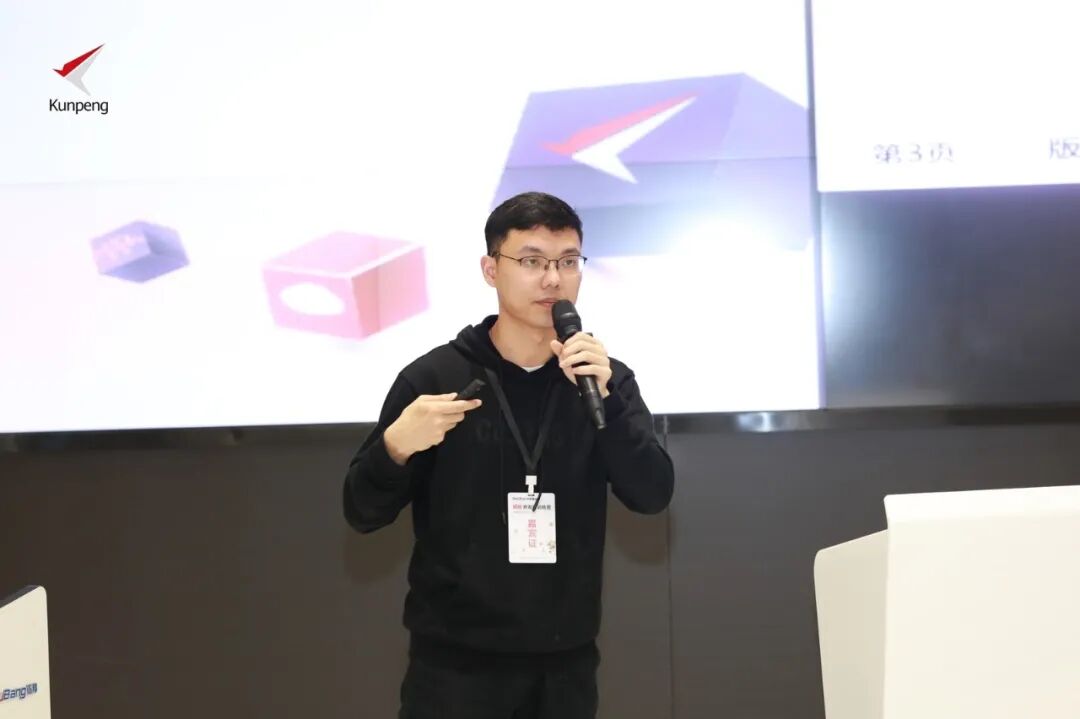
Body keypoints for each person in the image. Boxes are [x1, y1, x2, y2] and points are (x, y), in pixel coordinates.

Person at [343, 191, 675, 718]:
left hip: (564, 665)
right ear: (490, 269)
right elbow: (362, 511)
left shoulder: (603, 380)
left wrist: (609, 403)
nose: (553, 279)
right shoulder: (435, 378)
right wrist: (396, 447)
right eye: (532, 261)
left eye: (568, 261)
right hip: (453, 667)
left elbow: (652, 493)